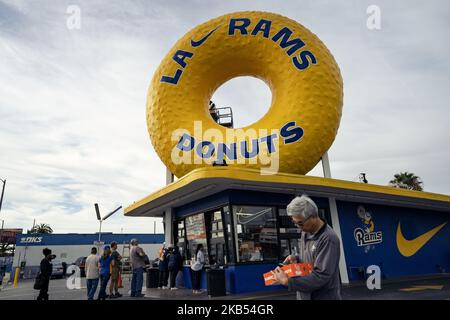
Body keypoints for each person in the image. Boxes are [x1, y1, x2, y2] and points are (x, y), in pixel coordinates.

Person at [272, 194, 342, 300]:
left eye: (300, 223)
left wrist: (288, 281)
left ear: (313, 217)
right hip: (304, 295)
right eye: (294, 223)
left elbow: (321, 276)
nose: (298, 227)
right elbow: (310, 258)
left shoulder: (328, 239)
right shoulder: (306, 231)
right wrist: (296, 257)